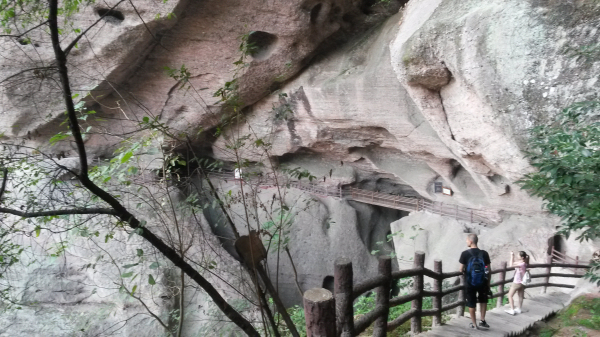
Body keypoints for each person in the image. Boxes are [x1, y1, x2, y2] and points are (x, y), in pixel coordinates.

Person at [459, 234, 492, 330]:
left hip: (470, 282)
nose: (466, 242)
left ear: (470, 241)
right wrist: (488, 282)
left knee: (471, 302)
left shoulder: (465, 254)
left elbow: (461, 270)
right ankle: (482, 320)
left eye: (466, 240)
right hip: (483, 282)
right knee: (483, 300)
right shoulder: (484, 253)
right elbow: (489, 270)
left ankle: (474, 324)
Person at [505, 251, 529, 315]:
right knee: (520, 296)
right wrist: (513, 257)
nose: (517, 256)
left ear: (522, 257)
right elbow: (513, 263)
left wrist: (512, 256)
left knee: (510, 295)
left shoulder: (521, 264)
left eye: (518, 255)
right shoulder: (524, 263)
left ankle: (512, 309)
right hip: (522, 282)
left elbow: (511, 265)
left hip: (517, 282)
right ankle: (519, 309)